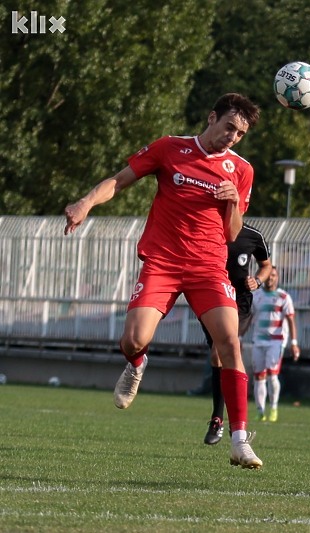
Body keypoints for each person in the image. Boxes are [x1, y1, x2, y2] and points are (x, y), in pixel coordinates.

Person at [63, 93, 264, 469]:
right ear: (211, 117)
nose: (232, 137)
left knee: (230, 343)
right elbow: (120, 182)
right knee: (133, 339)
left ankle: (240, 440)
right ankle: (137, 364)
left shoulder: (241, 170)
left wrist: (233, 202)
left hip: (208, 267)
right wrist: (85, 203)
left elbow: (234, 232)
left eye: (240, 134)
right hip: (164, 262)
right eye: (229, 128)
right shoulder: (170, 148)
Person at [200, 222, 272, 445]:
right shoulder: (208, 229)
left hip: (238, 303)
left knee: (218, 354)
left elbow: (266, 265)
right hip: (209, 299)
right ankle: (232, 420)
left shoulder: (253, 235)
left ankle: (218, 420)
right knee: (222, 357)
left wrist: (258, 280)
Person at [251, 266, 300, 423]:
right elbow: (248, 318)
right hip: (258, 340)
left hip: (276, 341)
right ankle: (260, 411)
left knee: (272, 375)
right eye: (268, 275)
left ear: (277, 278)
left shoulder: (283, 297)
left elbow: (291, 320)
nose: (270, 278)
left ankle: (273, 407)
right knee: (259, 376)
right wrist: (238, 335)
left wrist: (293, 343)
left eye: (273, 275)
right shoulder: (256, 296)